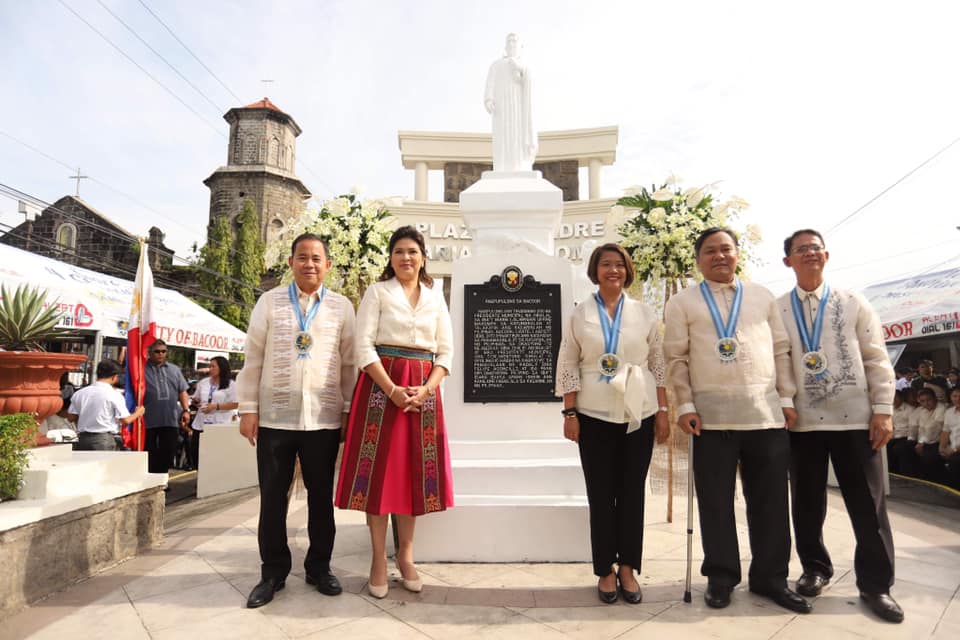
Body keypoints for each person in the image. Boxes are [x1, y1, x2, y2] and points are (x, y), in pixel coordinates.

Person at [663, 227, 809, 613]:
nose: (719, 256)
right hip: (709, 420)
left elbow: (780, 350)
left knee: (771, 504)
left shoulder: (762, 297)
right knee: (715, 503)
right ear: (698, 259)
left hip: (765, 416)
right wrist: (684, 406)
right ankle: (722, 577)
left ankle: (771, 578)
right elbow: (675, 359)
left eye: (726, 249)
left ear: (738, 254)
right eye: (710, 251)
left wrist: (787, 398)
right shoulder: (682, 302)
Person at [778, 229, 903, 623]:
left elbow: (876, 357)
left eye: (816, 248)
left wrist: (883, 409)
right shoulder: (778, 308)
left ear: (826, 255)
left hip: (856, 419)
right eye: (801, 249)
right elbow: (779, 359)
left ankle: (876, 585)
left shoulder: (853, 302)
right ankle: (815, 568)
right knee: (807, 503)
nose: (810, 254)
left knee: (869, 505)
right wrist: (783, 401)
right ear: (788, 261)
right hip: (803, 423)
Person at [236, 233, 356, 609]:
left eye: (317, 258)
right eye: (302, 257)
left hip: (323, 418)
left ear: (328, 265)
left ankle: (319, 567)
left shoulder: (341, 308)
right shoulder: (269, 303)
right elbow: (253, 357)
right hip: (275, 417)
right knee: (273, 499)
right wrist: (247, 408)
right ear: (290, 262)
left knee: (322, 498)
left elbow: (350, 364)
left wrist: (350, 410)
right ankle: (272, 572)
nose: (309, 264)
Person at [336, 225, 454, 599]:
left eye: (413, 251)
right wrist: (391, 389)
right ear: (391, 258)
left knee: (412, 475)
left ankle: (405, 555)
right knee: (378, 478)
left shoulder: (436, 298)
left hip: (423, 393)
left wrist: (426, 389)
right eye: (399, 251)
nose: (406, 257)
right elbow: (363, 347)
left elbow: (446, 353)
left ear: (423, 258)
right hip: (379, 389)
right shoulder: (377, 292)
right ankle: (376, 558)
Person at [555, 243, 669, 604]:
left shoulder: (644, 312)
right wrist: (569, 412)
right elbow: (568, 362)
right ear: (595, 270)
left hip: (639, 414)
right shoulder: (580, 314)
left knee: (633, 493)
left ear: (627, 271)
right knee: (601, 495)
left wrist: (663, 411)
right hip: (594, 416)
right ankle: (605, 569)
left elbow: (659, 363)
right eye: (606, 264)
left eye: (619, 265)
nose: (613, 270)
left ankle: (628, 569)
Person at [484, 32, 537, 172]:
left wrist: (520, 69)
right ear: (505, 46)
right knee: (502, 138)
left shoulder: (524, 66)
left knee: (517, 137)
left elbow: (529, 82)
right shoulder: (496, 65)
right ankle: (501, 166)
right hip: (501, 109)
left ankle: (520, 165)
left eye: (515, 41)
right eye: (509, 41)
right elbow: (490, 83)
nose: (512, 44)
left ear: (521, 46)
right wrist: (489, 99)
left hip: (519, 109)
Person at [68, 359, 144, 451]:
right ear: (114, 377)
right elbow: (125, 420)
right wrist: (138, 413)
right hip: (103, 440)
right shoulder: (114, 395)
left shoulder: (80, 393)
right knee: (103, 465)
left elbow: (71, 417)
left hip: (83, 439)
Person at [142, 340, 191, 472]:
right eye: (157, 351)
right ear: (150, 352)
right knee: (149, 451)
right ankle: (151, 479)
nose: (161, 354)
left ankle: (162, 478)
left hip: (170, 419)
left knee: (169, 451)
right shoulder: (141, 370)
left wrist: (186, 410)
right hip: (147, 420)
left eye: (163, 351)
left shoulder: (174, 370)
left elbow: (182, 391)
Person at [188, 356, 238, 469]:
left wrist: (216, 406)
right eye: (209, 366)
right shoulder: (203, 383)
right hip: (201, 424)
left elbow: (236, 403)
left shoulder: (231, 385)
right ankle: (199, 480)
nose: (210, 369)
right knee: (197, 455)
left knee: (215, 457)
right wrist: (196, 402)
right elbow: (196, 398)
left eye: (213, 366)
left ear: (222, 368)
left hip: (219, 425)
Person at [912, 388, 947, 483]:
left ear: (935, 399)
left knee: (928, 457)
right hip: (925, 440)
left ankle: (934, 481)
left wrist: (921, 442)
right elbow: (918, 428)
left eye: (929, 400)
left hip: (938, 441)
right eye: (922, 401)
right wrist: (918, 441)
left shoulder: (941, 408)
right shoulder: (921, 410)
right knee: (906, 447)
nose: (926, 403)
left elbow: (933, 429)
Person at [941, 387, 960, 489]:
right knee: (932, 457)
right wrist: (942, 447)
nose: (957, 399)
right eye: (955, 396)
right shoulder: (949, 412)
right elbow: (945, 431)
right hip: (952, 448)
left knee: (955, 461)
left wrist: (954, 450)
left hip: (957, 450)